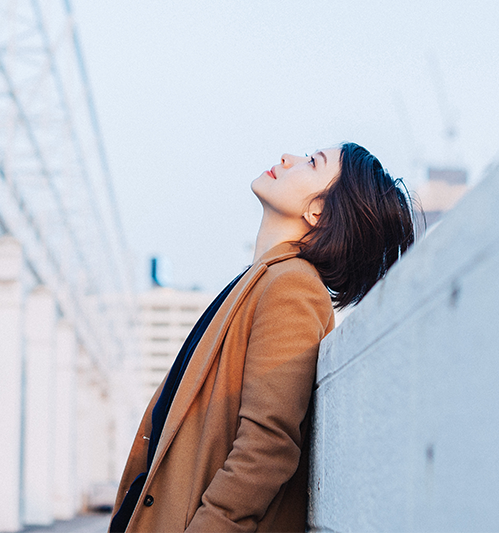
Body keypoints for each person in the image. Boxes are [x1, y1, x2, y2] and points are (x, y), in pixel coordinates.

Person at [109, 143, 416, 533]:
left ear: (318, 211)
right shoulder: (261, 281)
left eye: (311, 162)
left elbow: (267, 447)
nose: (288, 157)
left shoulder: (292, 287)